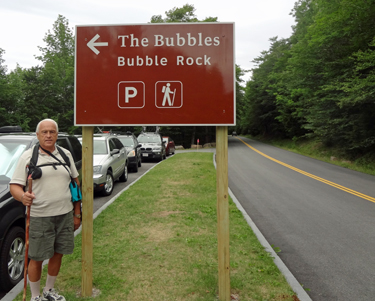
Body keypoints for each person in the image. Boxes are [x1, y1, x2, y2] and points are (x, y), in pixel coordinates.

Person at [10, 119, 81, 301]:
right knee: (37, 257)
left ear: (57, 134)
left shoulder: (65, 154)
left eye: (52, 132)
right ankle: (35, 296)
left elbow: (75, 184)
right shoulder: (28, 157)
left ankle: (49, 290)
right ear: (38, 135)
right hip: (39, 217)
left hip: (65, 214)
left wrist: (77, 213)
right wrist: (22, 196)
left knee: (58, 253)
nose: (48, 135)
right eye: (44, 132)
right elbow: (15, 186)